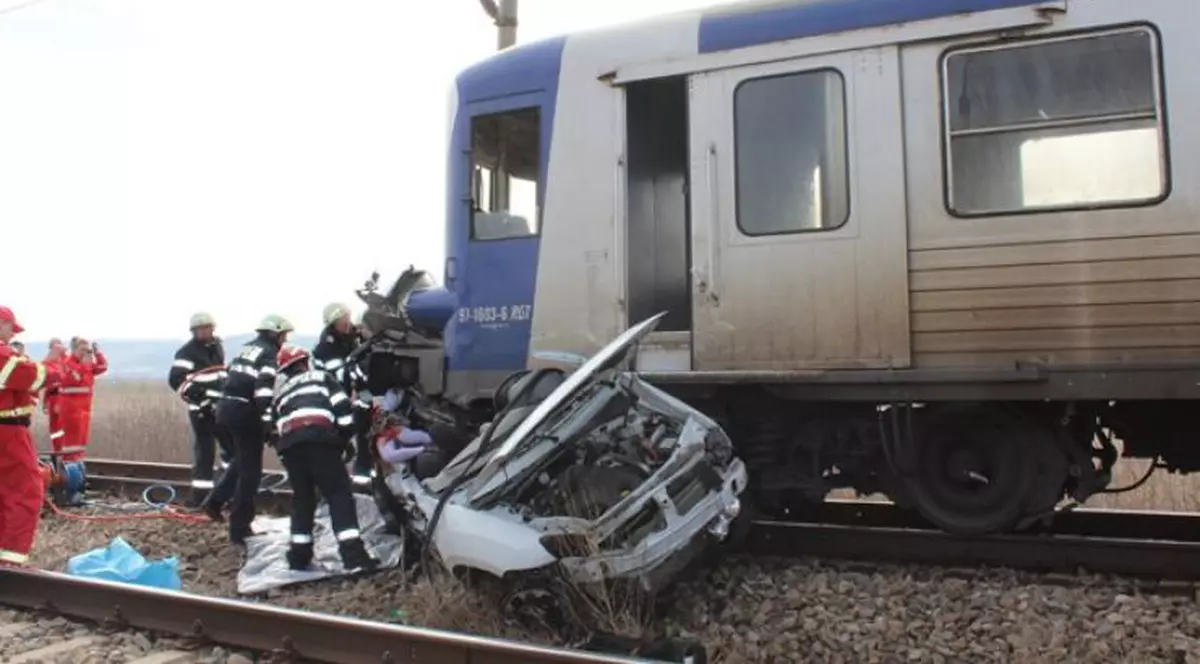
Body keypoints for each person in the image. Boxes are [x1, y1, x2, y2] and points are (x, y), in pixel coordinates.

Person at [271, 345, 378, 571]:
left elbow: (276, 427)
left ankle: (299, 557)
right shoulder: (323, 378)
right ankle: (354, 557)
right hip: (320, 440)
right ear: (305, 362)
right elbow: (344, 413)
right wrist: (342, 441)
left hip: (290, 447)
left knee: (303, 499)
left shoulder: (282, 391)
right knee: (339, 495)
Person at [203, 314, 293, 545]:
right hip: (244, 414)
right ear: (275, 334)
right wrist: (268, 423)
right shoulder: (268, 354)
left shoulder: (247, 349)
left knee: (242, 460)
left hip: (226, 409)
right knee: (250, 474)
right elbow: (263, 390)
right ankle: (239, 528)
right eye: (283, 335)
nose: (284, 340)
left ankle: (215, 501)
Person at [0, 306, 60, 566]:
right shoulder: (3, 356)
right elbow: (36, 377)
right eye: (10, 328)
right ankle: (10, 559)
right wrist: (55, 362)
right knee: (25, 491)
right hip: (8, 432)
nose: (11, 335)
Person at [168, 312, 233, 508]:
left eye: (208, 328)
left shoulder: (217, 348)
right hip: (201, 411)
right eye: (200, 329)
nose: (205, 332)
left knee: (230, 452)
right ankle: (201, 498)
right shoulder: (186, 352)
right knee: (205, 454)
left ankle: (225, 494)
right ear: (194, 331)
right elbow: (176, 380)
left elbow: (220, 375)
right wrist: (200, 399)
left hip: (220, 408)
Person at [312, 302, 372, 486]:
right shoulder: (326, 348)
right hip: (333, 400)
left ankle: (361, 480)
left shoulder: (348, 337)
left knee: (362, 436)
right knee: (339, 439)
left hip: (350, 397)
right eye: (345, 320)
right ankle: (332, 483)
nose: (349, 323)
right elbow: (340, 376)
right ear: (335, 323)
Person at [57, 337, 108, 463]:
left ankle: (78, 464)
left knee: (81, 442)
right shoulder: (68, 363)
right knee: (72, 442)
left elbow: (103, 367)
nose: (85, 353)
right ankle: (69, 466)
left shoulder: (86, 363)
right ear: (74, 350)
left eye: (87, 350)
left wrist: (98, 353)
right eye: (82, 350)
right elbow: (76, 379)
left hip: (84, 409)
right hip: (71, 410)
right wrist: (85, 366)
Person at [41, 339, 67, 447]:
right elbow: (46, 385)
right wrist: (45, 403)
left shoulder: (66, 361)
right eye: (54, 347)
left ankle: (64, 450)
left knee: (63, 426)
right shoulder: (48, 362)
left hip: (64, 398)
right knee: (54, 428)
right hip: (53, 397)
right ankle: (57, 450)